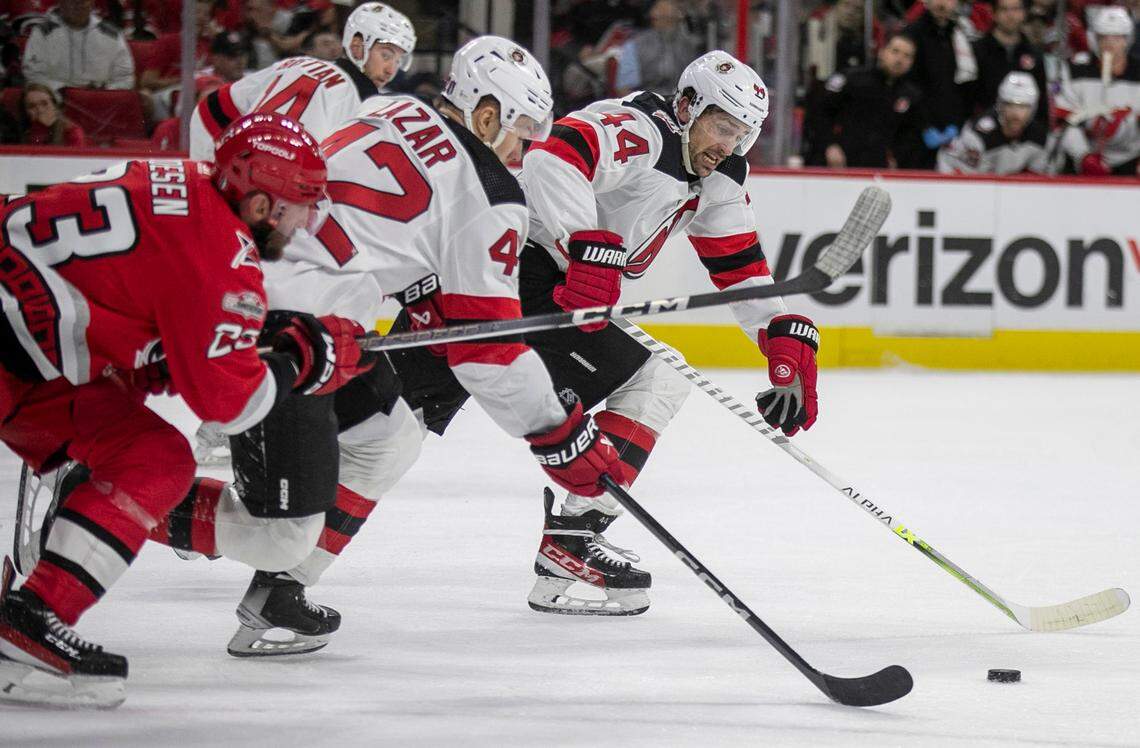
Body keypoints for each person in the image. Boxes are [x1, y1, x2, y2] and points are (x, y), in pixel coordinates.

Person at [155, 36, 627, 656]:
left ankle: (281, 594)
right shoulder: (493, 194)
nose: (524, 151)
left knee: (392, 437)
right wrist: (559, 431)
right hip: (286, 322)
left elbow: (374, 224)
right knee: (280, 528)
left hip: (245, 272)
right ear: (487, 115)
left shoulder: (390, 109)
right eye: (522, 133)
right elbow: (488, 356)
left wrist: (424, 287)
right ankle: (116, 497)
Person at [388, 50, 821, 616]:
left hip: (526, 285)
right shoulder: (643, 128)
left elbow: (740, 266)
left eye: (744, 134)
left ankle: (272, 542)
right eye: (722, 126)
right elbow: (554, 155)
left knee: (385, 435)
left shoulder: (719, 177)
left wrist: (781, 335)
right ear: (688, 105)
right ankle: (570, 544)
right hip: (516, 270)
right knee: (383, 432)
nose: (730, 145)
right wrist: (584, 244)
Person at [0, 112, 372, 708]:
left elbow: (133, 303)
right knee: (155, 457)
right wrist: (305, 362)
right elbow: (230, 406)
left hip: (29, 352)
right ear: (259, 204)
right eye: (300, 205)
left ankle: (32, 618)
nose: (304, 224)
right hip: (20, 350)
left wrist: (217, 345)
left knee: (153, 458)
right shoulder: (222, 256)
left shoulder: (186, 181)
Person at [189, 1, 414, 161]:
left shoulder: (297, 63)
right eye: (386, 55)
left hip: (242, 163)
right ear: (357, 47)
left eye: (398, 59)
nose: (391, 68)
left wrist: (210, 164)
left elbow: (212, 108)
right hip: (276, 179)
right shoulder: (358, 102)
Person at [803, 32, 924, 168]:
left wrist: (897, 157)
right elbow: (820, 112)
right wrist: (829, 145)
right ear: (882, 52)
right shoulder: (853, 79)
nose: (900, 59)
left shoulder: (911, 95)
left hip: (878, 167)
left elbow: (909, 134)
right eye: (895, 51)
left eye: (907, 56)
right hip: (840, 162)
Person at [1054, 6, 1140, 175]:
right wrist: (1083, 156)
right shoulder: (1074, 71)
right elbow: (1063, 121)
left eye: (1117, 38)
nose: (1109, 44)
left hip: (1130, 159)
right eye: (1103, 38)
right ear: (1094, 40)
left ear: (1127, 40)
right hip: (1084, 160)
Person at [904, 0, 976, 167]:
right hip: (916, 133)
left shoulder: (961, 35)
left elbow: (966, 86)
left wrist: (957, 123)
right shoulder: (912, 34)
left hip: (954, 132)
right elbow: (907, 86)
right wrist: (924, 126)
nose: (942, 4)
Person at [938, 71, 1052, 173]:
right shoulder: (978, 136)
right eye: (1009, 105)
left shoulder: (1039, 136)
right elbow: (964, 182)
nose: (1016, 114)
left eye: (1023, 107)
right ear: (1000, 105)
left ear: (1033, 109)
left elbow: (1036, 179)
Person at [21, 0, 134, 92]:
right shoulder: (42, 33)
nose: (78, 5)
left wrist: (104, 92)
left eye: (82, 1)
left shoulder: (112, 35)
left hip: (101, 103)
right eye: (73, 1)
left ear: (92, 3)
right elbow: (34, 75)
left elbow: (125, 78)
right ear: (61, 3)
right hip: (56, 103)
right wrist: (65, 92)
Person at [969, 0, 1048, 124]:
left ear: (1024, 13)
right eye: (1004, 9)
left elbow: (1042, 100)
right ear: (994, 13)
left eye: (1016, 9)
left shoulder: (1034, 54)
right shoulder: (977, 51)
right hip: (984, 130)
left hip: (1025, 133)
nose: (1010, 15)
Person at [19, 83, 87, 146]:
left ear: (54, 105)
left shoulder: (72, 132)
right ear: (26, 111)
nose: (40, 110)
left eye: (44, 103)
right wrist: (40, 127)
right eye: (32, 106)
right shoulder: (25, 131)